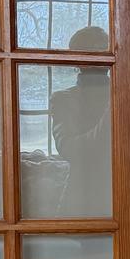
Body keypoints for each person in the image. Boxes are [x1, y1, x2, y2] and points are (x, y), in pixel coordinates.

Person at [50, 25, 111, 217]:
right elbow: (70, 149)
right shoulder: (64, 99)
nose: (100, 56)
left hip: (129, 195)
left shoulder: (127, 94)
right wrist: (111, 113)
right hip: (83, 201)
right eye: (92, 49)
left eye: (103, 48)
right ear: (77, 59)